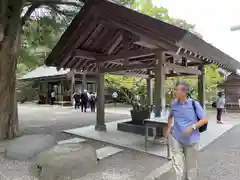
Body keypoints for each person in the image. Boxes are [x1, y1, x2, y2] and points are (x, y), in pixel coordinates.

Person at [166, 81, 208, 180]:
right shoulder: (173, 104)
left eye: (177, 90)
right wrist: (169, 128)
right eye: (175, 90)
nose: (175, 92)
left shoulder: (194, 104)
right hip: (176, 138)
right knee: (177, 163)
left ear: (184, 92)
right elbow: (170, 117)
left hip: (191, 140)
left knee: (191, 165)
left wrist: (192, 127)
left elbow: (205, 119)